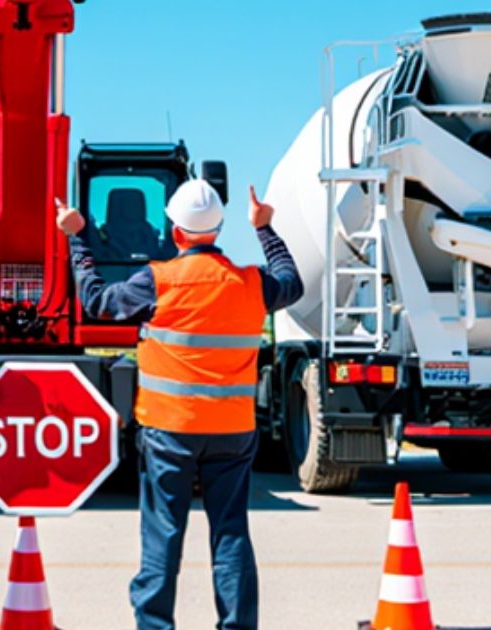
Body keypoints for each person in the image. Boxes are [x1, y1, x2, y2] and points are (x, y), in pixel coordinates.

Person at [57, 181, 303, 630]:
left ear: (176, 233)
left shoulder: (158, 281)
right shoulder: (252, 284)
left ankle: (155, 625)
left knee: (163, 534)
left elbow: (95, 301)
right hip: (232, 432)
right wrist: (266, 230)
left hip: (169, 432)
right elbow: (292, 282)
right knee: (230, 533)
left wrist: (78, 237)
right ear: (218, 229)